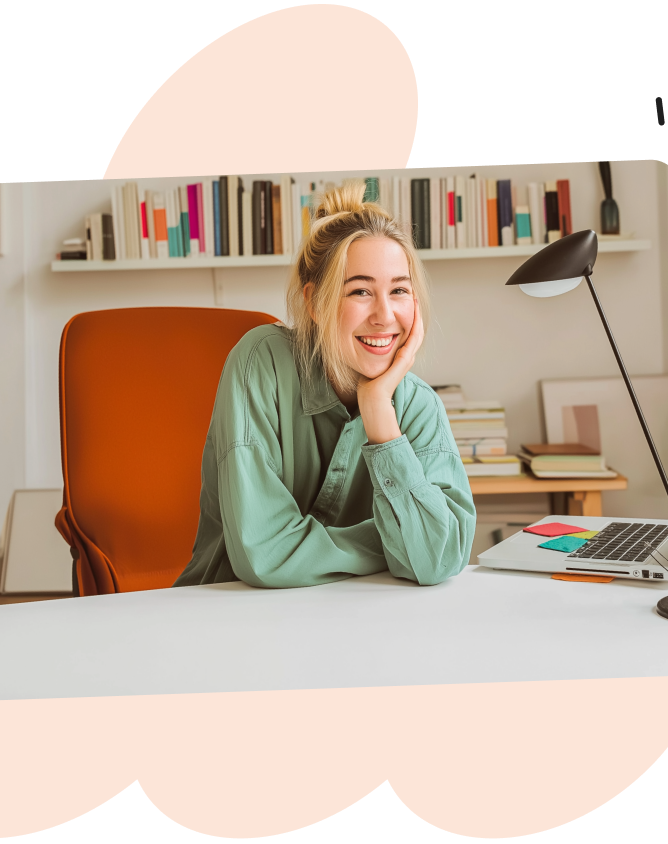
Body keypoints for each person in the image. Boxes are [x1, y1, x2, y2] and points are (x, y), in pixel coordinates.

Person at [172, 178, 476, 589]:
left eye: (399, 290)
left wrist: (378, 414)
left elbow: (441, 558)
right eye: (361, 292)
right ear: (315, 303)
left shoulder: (417, 404)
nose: (385, 316)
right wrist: (395, 543)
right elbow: (264, 557)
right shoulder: (260, 363)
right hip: (234, 616)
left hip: (355, 622)